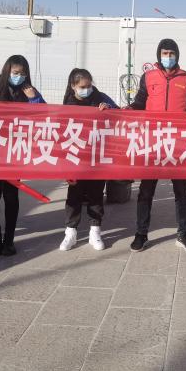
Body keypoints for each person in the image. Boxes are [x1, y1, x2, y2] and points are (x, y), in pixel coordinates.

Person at [128, 38, 186, 253]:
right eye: (164, 53)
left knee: (181, 191)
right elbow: (139, 103)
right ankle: (141, 234)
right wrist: (125, 111)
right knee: (146, 191)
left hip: (178, 143)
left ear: (177, 55)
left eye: (171, 53)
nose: (168, 57)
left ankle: (183, 234)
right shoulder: (148, 76)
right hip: (152, 141)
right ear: (159, 55)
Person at [0, 54, 45, 256]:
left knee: (11, 196)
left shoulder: (30, 92)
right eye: (15, 73)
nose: (19, 76)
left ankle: (9, 241)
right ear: (7, 71)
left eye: (22, 73)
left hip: (15, 151)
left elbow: (44, 115)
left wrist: (33, 98)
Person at [59, 68, 118, 251]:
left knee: (96, 193)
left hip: (97, 155)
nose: (87, 89)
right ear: (73, 86)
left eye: (89, 85)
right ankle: (71, 233)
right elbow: (61, 132)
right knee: (74, 195)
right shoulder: (67, 104)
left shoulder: (101, 98)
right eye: (82, 87)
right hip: (76, 156)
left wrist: (109, 110)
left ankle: (95, 231)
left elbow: (120, 113)